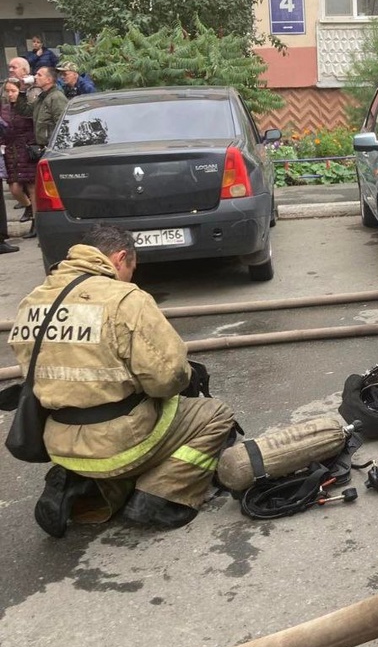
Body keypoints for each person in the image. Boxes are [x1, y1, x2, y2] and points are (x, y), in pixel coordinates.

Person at [8, 224, 237, 537]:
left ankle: (84, 488)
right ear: (119, 258)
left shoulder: (33, 300)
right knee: (215, 415)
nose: (130, 276)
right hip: (118, 442)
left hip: (58, 441)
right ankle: (160, 495)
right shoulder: (126, 299)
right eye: (131, 267)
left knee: (121, 441)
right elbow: (167, 379)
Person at [0, 78, 36, 237]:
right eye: (7, 91)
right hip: (10, 151)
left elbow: (34, 126)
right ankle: (28, 206)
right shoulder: (4, 109)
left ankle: (35, 222)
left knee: (31, 187)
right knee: (14, 188)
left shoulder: (27, 106)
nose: (10, 94)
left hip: (26, 149)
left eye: (13, 91)